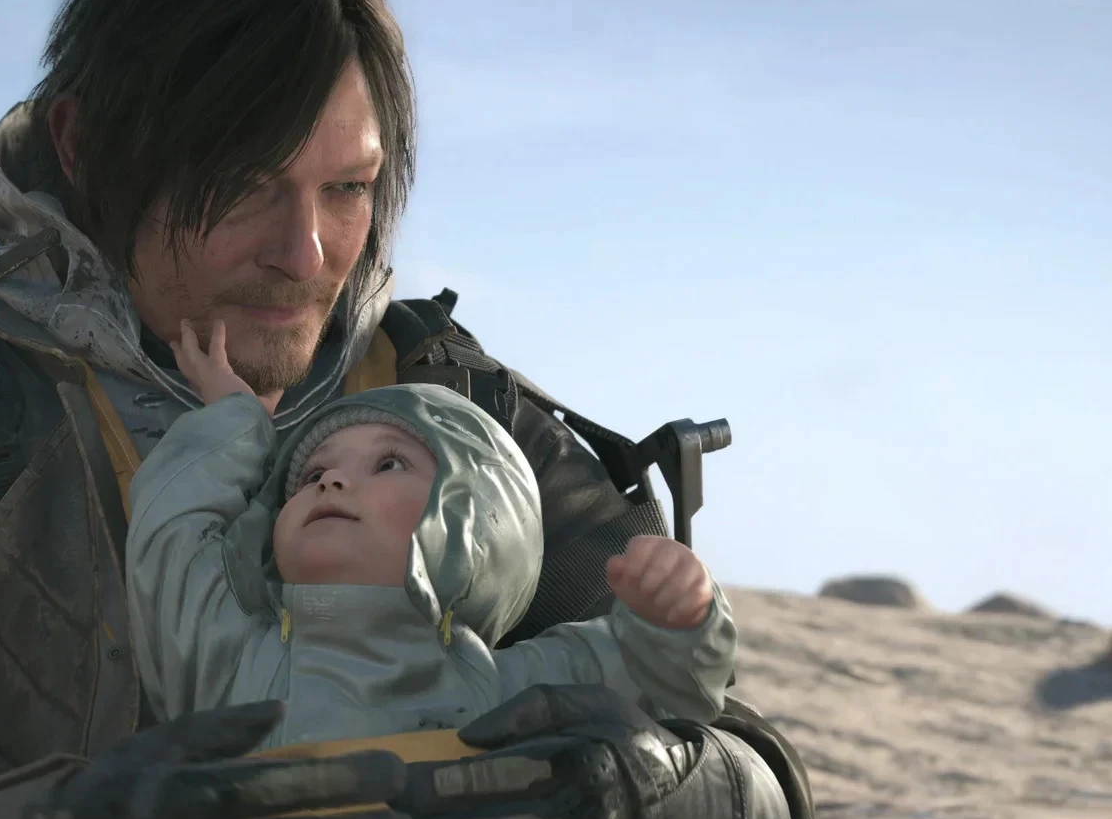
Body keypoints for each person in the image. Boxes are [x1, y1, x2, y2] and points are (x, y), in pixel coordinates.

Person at [0, 0, 1069, 819]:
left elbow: (746, 763)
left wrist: (636, 810)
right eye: (242, 186)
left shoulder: (452, 409)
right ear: (89, 145)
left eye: (347, 188)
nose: (307, 253)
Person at [131, 321, 737, 749]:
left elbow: (659, 686)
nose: (332, 481)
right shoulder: (229, 658)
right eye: (311, 475)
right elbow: (171, 542)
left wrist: (679, 619)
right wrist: (233, 422)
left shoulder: (509, 689)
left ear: (477, 517)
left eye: (388, 464)